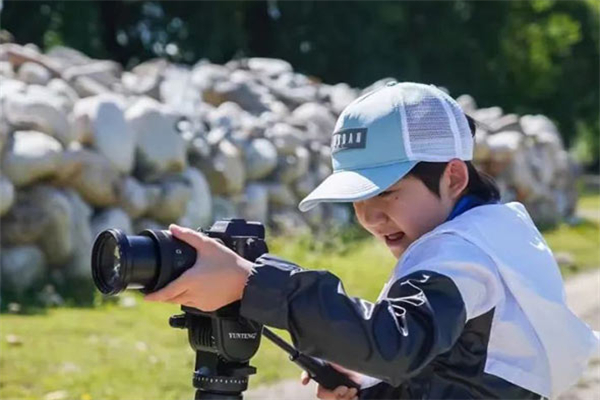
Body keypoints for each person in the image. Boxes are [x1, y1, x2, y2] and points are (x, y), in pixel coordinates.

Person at [144, 82, 599, 399]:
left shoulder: (462, 255)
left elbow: (395, 344)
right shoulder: (496, 234)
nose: (371, 216)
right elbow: (459, 377)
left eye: (387, 192)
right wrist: (376, 389)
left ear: (454, 177)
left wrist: (250, 283)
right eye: (357, 199)